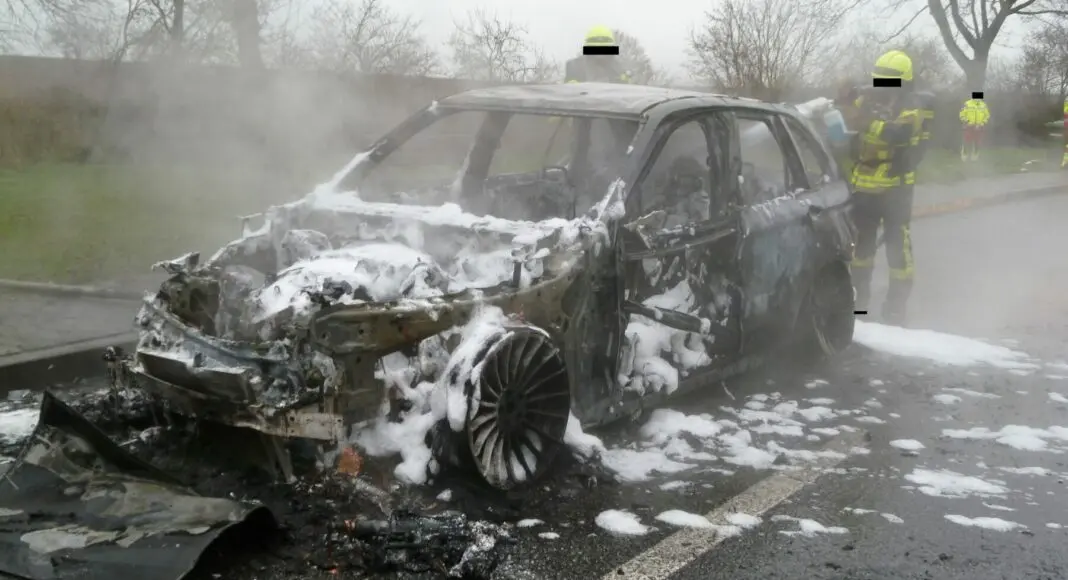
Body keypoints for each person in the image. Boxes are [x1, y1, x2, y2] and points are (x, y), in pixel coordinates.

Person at [844, 50, 928, 326]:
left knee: (897, 251)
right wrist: (845, 103)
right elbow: (848, 122)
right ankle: (858, 307)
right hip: (863, 190)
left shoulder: (912, 108)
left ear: (903, 82)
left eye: (888, 81)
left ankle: (895, 310)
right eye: (879, 79)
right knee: (860, 251)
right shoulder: (866, 100)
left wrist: (868, 121)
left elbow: (898, 133)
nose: (882, 86)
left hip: (895, 192)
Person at [564, 26, 632, 84]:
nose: (600, 54)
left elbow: (626, 90)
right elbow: (569, 91)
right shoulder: (575, 66)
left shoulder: (618, 68)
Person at [959, 96, 990, 161]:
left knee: (977, 141)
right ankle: (964, 153)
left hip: (979, 126)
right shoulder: (967, 104)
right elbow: (961, 114)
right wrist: (967, 122)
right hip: (968, 126)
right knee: (967, 140)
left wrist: (982, 123)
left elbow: (987, 116)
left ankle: (975, 154)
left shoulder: (983, 105)